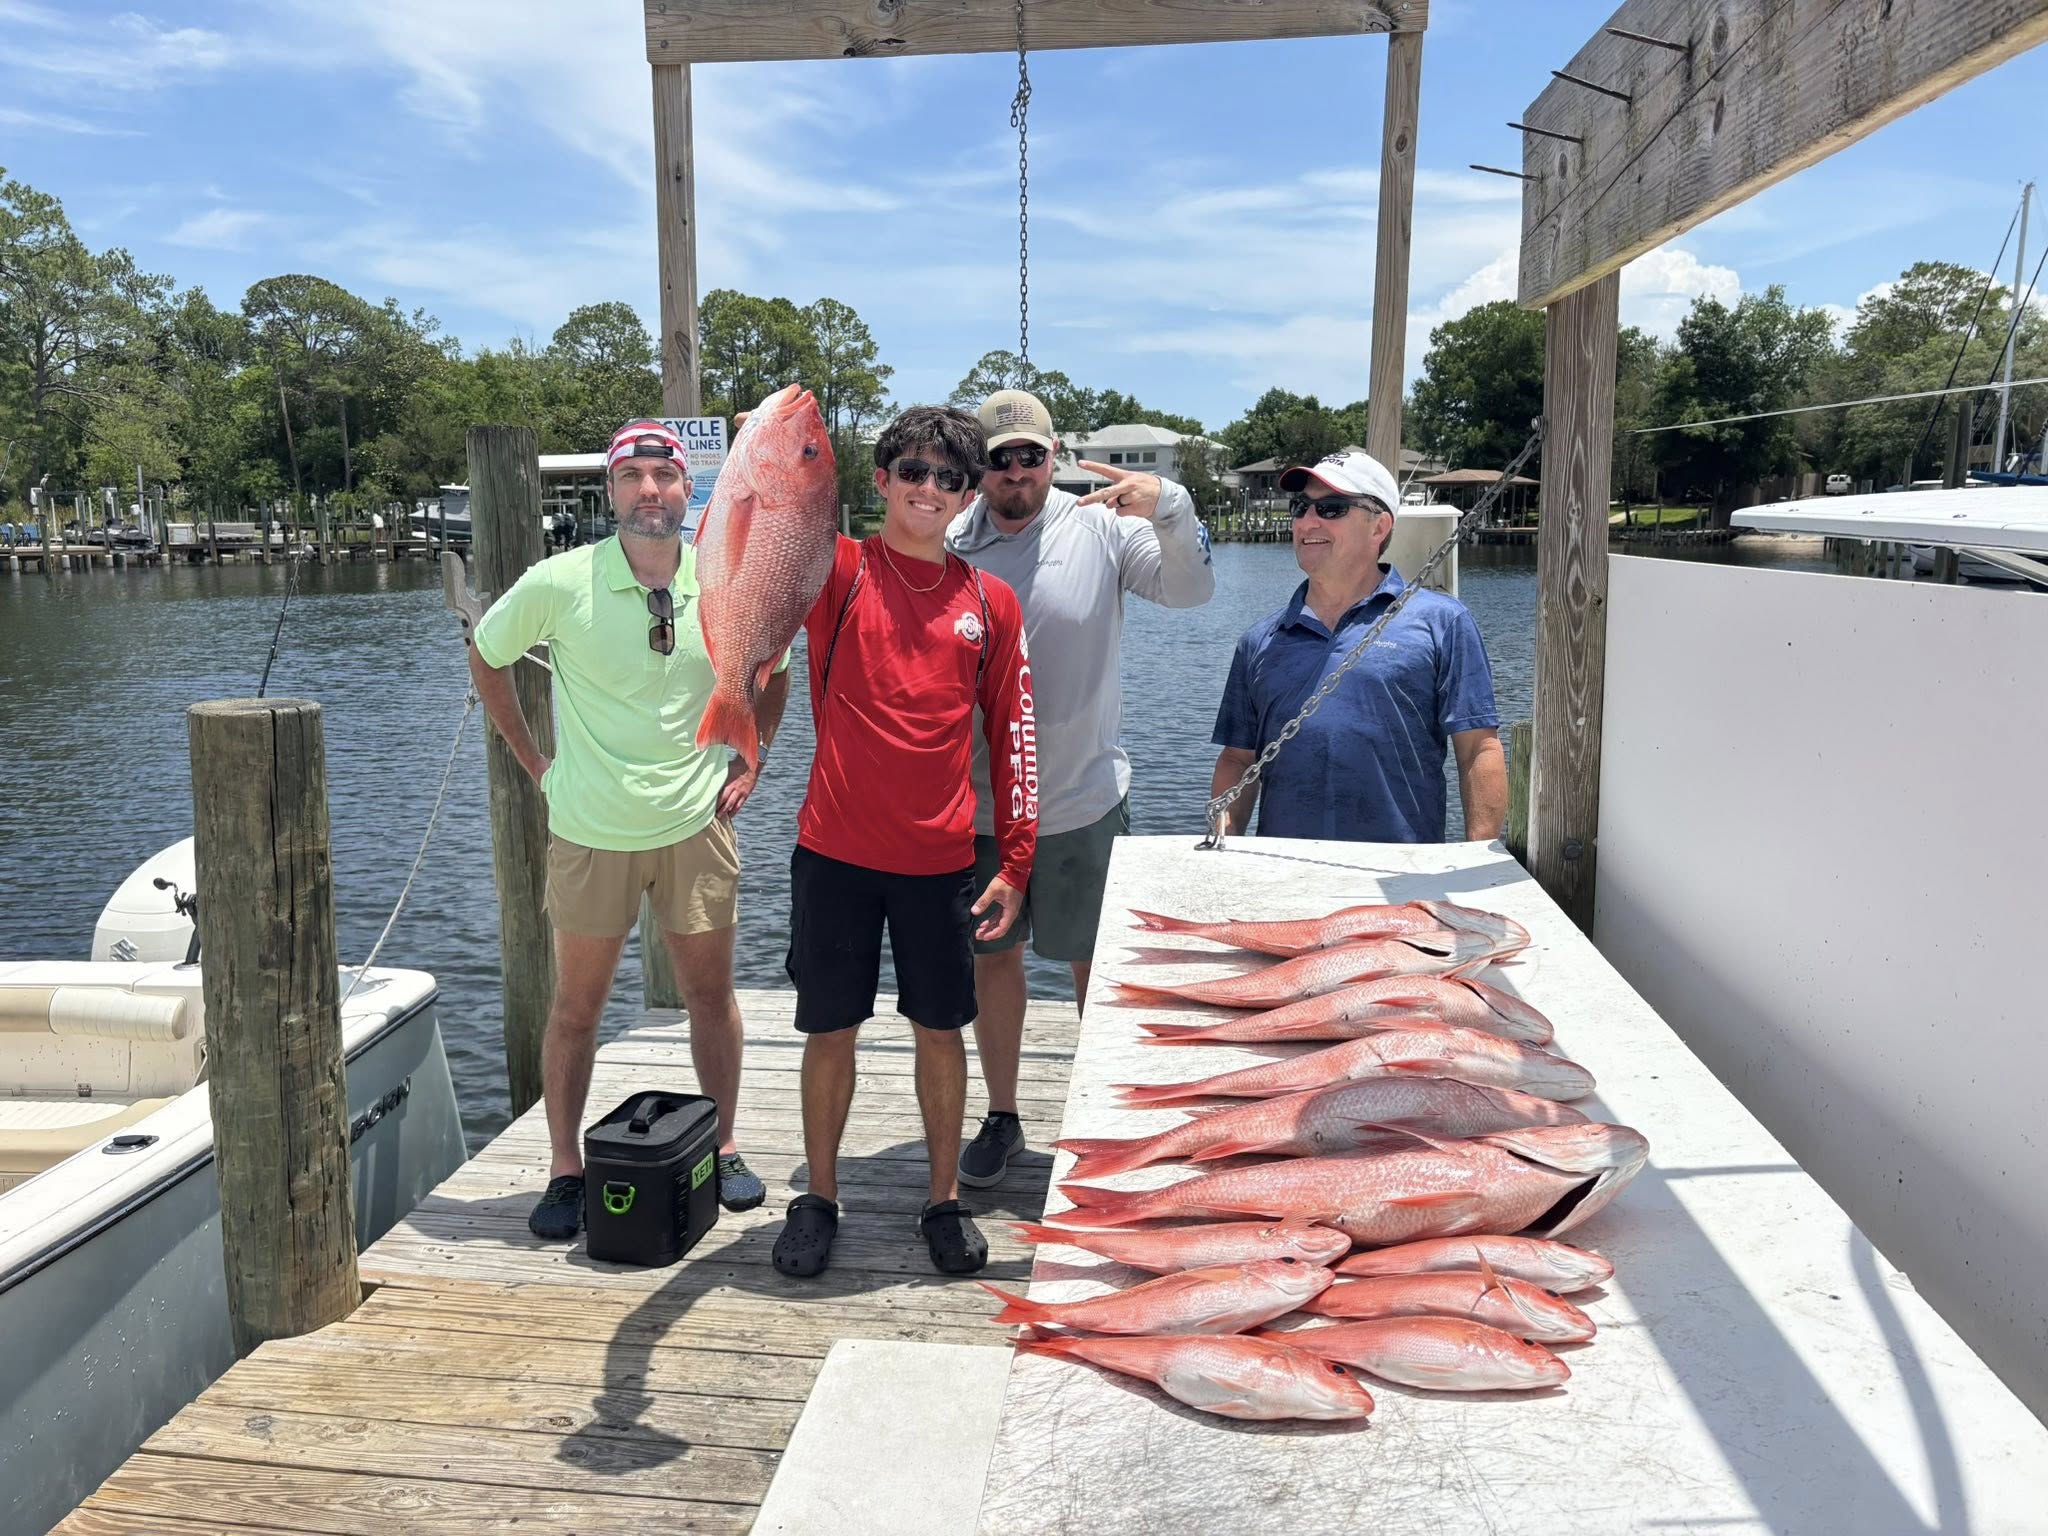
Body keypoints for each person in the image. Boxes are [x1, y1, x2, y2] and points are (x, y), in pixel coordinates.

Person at [469, 418, 787, 1241]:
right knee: (576, 1011)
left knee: (712, 1000)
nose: (651, 491)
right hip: (589, 831)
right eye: (633, 477)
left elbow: (775, 671)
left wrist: (749, 763)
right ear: (609, 492)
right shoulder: (560, 580)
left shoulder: (725, 579)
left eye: (665, 475)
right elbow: (488, 651)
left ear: (690, 489)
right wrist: (533, 762)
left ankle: (721, 1144)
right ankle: (565, 1169)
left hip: (695, 827)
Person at [774, 404, 1037, 1281]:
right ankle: (818, 1197)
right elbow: (755, 527)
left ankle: (942, 1200)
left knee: (940, 1030)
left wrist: (1017, 860)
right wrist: (759, 449)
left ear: (968, 496)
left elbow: (1015, 735)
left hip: (940, 863)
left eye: (951, 477)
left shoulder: (989, 602)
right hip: (835, 852)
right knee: (830, 1029)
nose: (931, 489)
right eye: (914, 471)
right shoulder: (835, 570)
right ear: (881, 480)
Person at [945, 389, 1215, 1188]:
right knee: (993, 962)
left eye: (1032, 455)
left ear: (1055, 455)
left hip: (1082, 800)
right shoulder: (953, 540)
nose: (1017, 473)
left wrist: (1171, 506)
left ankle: (1106, 1114)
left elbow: (1191, 590)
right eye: (1000, 460)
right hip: (983, 808)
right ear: (980, 469)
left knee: (1094, 965)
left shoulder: (1099, 524)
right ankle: (1003, 1116)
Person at [1209, 448, 1507, 846]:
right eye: (1301, 507)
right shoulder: (1259, 640)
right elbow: (1238, 759)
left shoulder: (1443, 622)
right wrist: (1218, 845)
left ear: (1378, 527)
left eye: (1331, 508)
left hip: (1401, 878)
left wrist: (1476, 862)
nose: (1308, 521)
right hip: (1278, 878)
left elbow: (1478, 750)